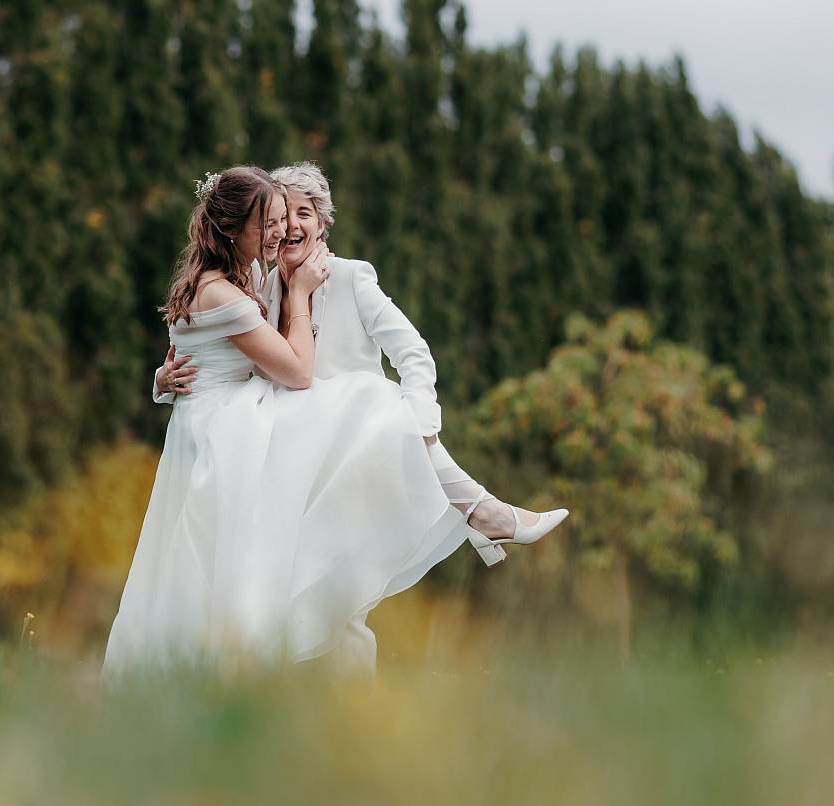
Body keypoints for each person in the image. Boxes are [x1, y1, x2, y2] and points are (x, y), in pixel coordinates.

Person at [152, 161, 568, 672]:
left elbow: (413, 354)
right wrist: (163, 381)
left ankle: (482, 514)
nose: (289, 228)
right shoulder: (257, 284)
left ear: (322, 225)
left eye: (302, 214)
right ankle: (484, 515)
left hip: (348, 460)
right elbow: (223, 356)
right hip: (278, 464)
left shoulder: (350, 278)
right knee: (287, 599)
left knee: (341, 597)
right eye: (280, 217)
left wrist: (417, 426)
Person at [102, 166, 471, 679]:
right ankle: (471, 504)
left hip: (216, 425)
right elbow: (297, 372)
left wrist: (162, 380)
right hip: (222, 437)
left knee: (267, 552)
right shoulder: (224, 292)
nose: (279, 232)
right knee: (362, 401)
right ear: (235, 228)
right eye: (269, 222)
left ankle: (471, 504)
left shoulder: (245, 275)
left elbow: (194, 357)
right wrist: (298, 297)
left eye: (287, 218)